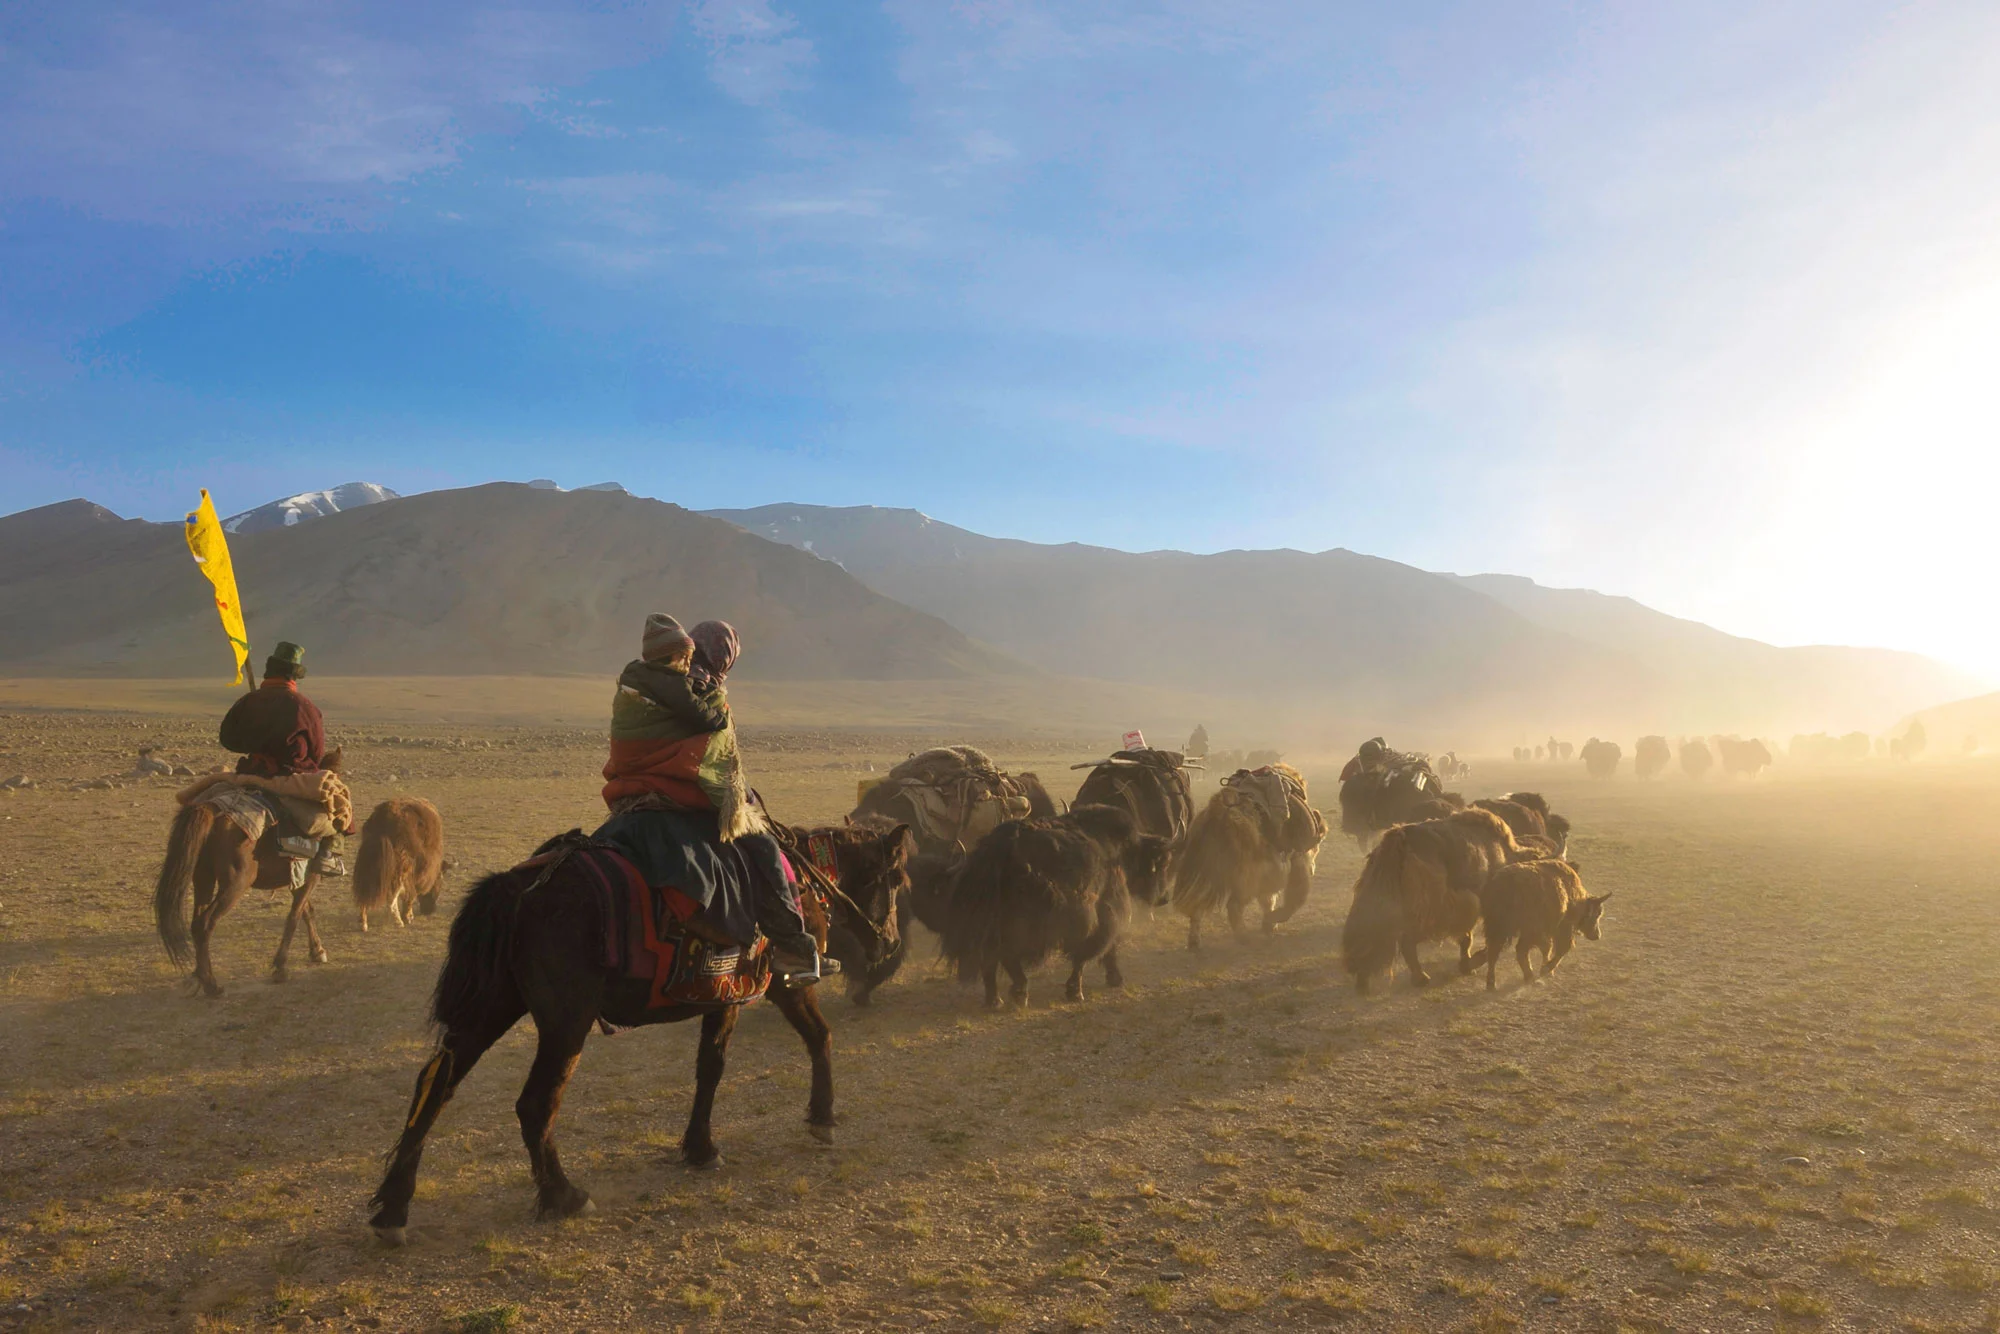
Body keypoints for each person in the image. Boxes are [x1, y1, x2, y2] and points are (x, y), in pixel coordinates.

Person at [596, 614, 831, 984]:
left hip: (631, 796)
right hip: (681, 797)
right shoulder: (701, 690)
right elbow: (709, 756)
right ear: (725, 658)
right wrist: (736, 793)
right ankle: (792, 947)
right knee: (765, 850)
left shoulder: (646, 680)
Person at [218, 641, 348, 875]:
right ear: (294, 675)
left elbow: (228, 739)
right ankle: (326, 856)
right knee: (338, 800)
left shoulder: (248, 701)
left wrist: (254, 742)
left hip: (250, 771)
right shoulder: (305, 707)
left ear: (270, 670)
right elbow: (317, 754)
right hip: (289, 775)